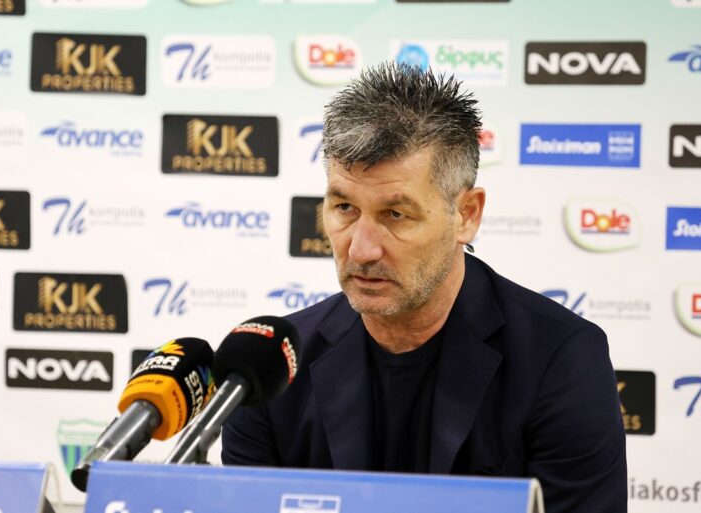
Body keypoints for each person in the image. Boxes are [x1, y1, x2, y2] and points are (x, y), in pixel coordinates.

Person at [221, 62, 626, 513]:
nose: (361, 249)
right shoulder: (270, 369)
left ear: (466, 215)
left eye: (396, 215)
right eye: (344, 208)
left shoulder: (559, 360)